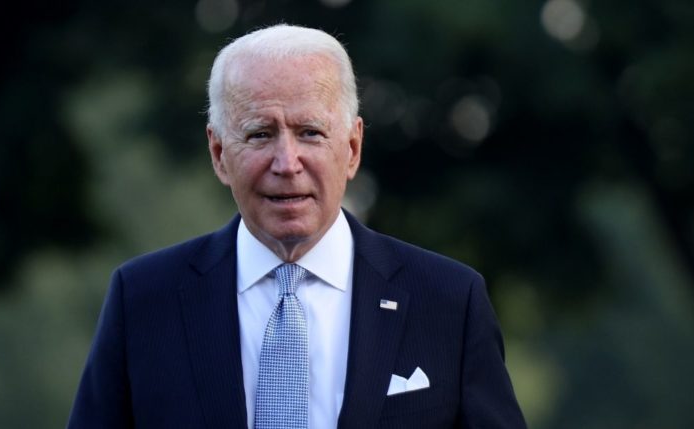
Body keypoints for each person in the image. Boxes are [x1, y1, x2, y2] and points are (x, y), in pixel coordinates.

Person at [67, 24, 527, 429]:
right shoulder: (145, 299)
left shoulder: (448, 302)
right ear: (218, 153)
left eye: (309, 132)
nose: (287, 164)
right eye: (260, 134)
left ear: (351, 148)